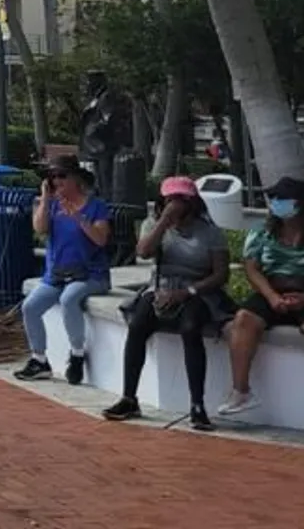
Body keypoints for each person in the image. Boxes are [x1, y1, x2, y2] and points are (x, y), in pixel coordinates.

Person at [103, 175, 233, 431]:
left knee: (190, 327)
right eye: (170, 199)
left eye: (180, 200)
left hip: (197, 290)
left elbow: (221, 274)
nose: (175, 204)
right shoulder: (154, 225)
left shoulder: (209, 232)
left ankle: (197, 404)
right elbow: (142, 252)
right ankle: (129, 397)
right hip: (161, 286)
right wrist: (163, 222)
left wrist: (187, 292)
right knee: (138, 324)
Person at [15, 158, 113, 384]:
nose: (56, 181)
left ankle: (77, 354)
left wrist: (79, 218)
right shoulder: (52, 205)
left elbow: (100, 240)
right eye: (53, 177)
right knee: (30, 306)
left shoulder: (96, 206)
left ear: (75, 178)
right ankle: (39, 360)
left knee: (70, 299)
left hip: (90, 275)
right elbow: (39, 229)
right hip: (57, 274)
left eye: (62, 176)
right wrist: (45, 199)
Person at [219, 175, 304, 417]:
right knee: (244, 320)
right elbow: (252, 268)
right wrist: (271, 296)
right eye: (274, 198)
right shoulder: (261, 232)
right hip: (272, 289)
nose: (276, 203)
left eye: (283, 198)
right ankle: (241, 391)